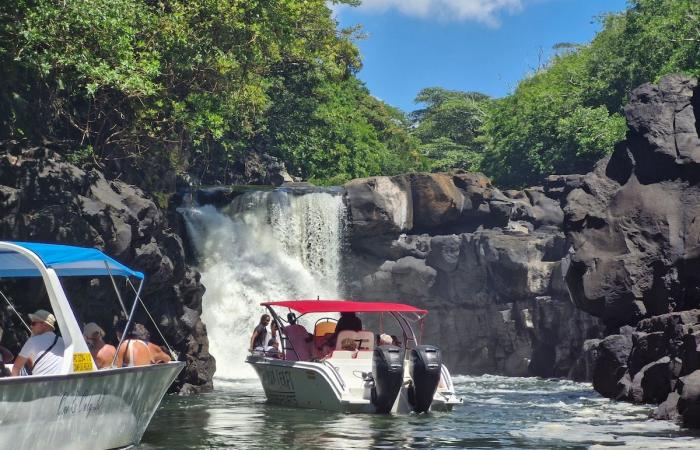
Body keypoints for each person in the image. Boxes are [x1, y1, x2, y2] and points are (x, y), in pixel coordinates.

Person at [11, 309, 65, 376]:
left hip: (40, 385)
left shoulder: (33, 341)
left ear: (44, 325)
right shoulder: (64, 342)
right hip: (60, 383)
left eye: (34, 323)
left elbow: (16, 369)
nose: (31, 326)